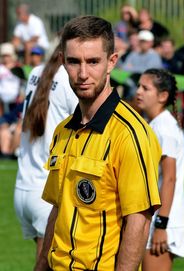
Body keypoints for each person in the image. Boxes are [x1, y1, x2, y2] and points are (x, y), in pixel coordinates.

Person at [34, 15, 162, 271]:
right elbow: (58, 210)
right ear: (62, 62)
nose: (83, 74)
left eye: (93, 62)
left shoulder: (131, 133)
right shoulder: (63, 131)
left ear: (111, 62)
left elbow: (138, 222)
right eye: (73, 62)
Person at [14, 44, 78, 263]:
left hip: (23, 188)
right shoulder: (71, 81)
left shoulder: (35, 72)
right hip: (46, 191)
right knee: (48, 263)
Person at [135, 69, 184, 271]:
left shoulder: (164, 128)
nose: (138, 91)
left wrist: (161, 225)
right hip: (159, 216)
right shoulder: (156, 124)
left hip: (165, 220)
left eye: (145, 88)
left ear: (163, 96)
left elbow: (169, 179)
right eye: (139, 86)